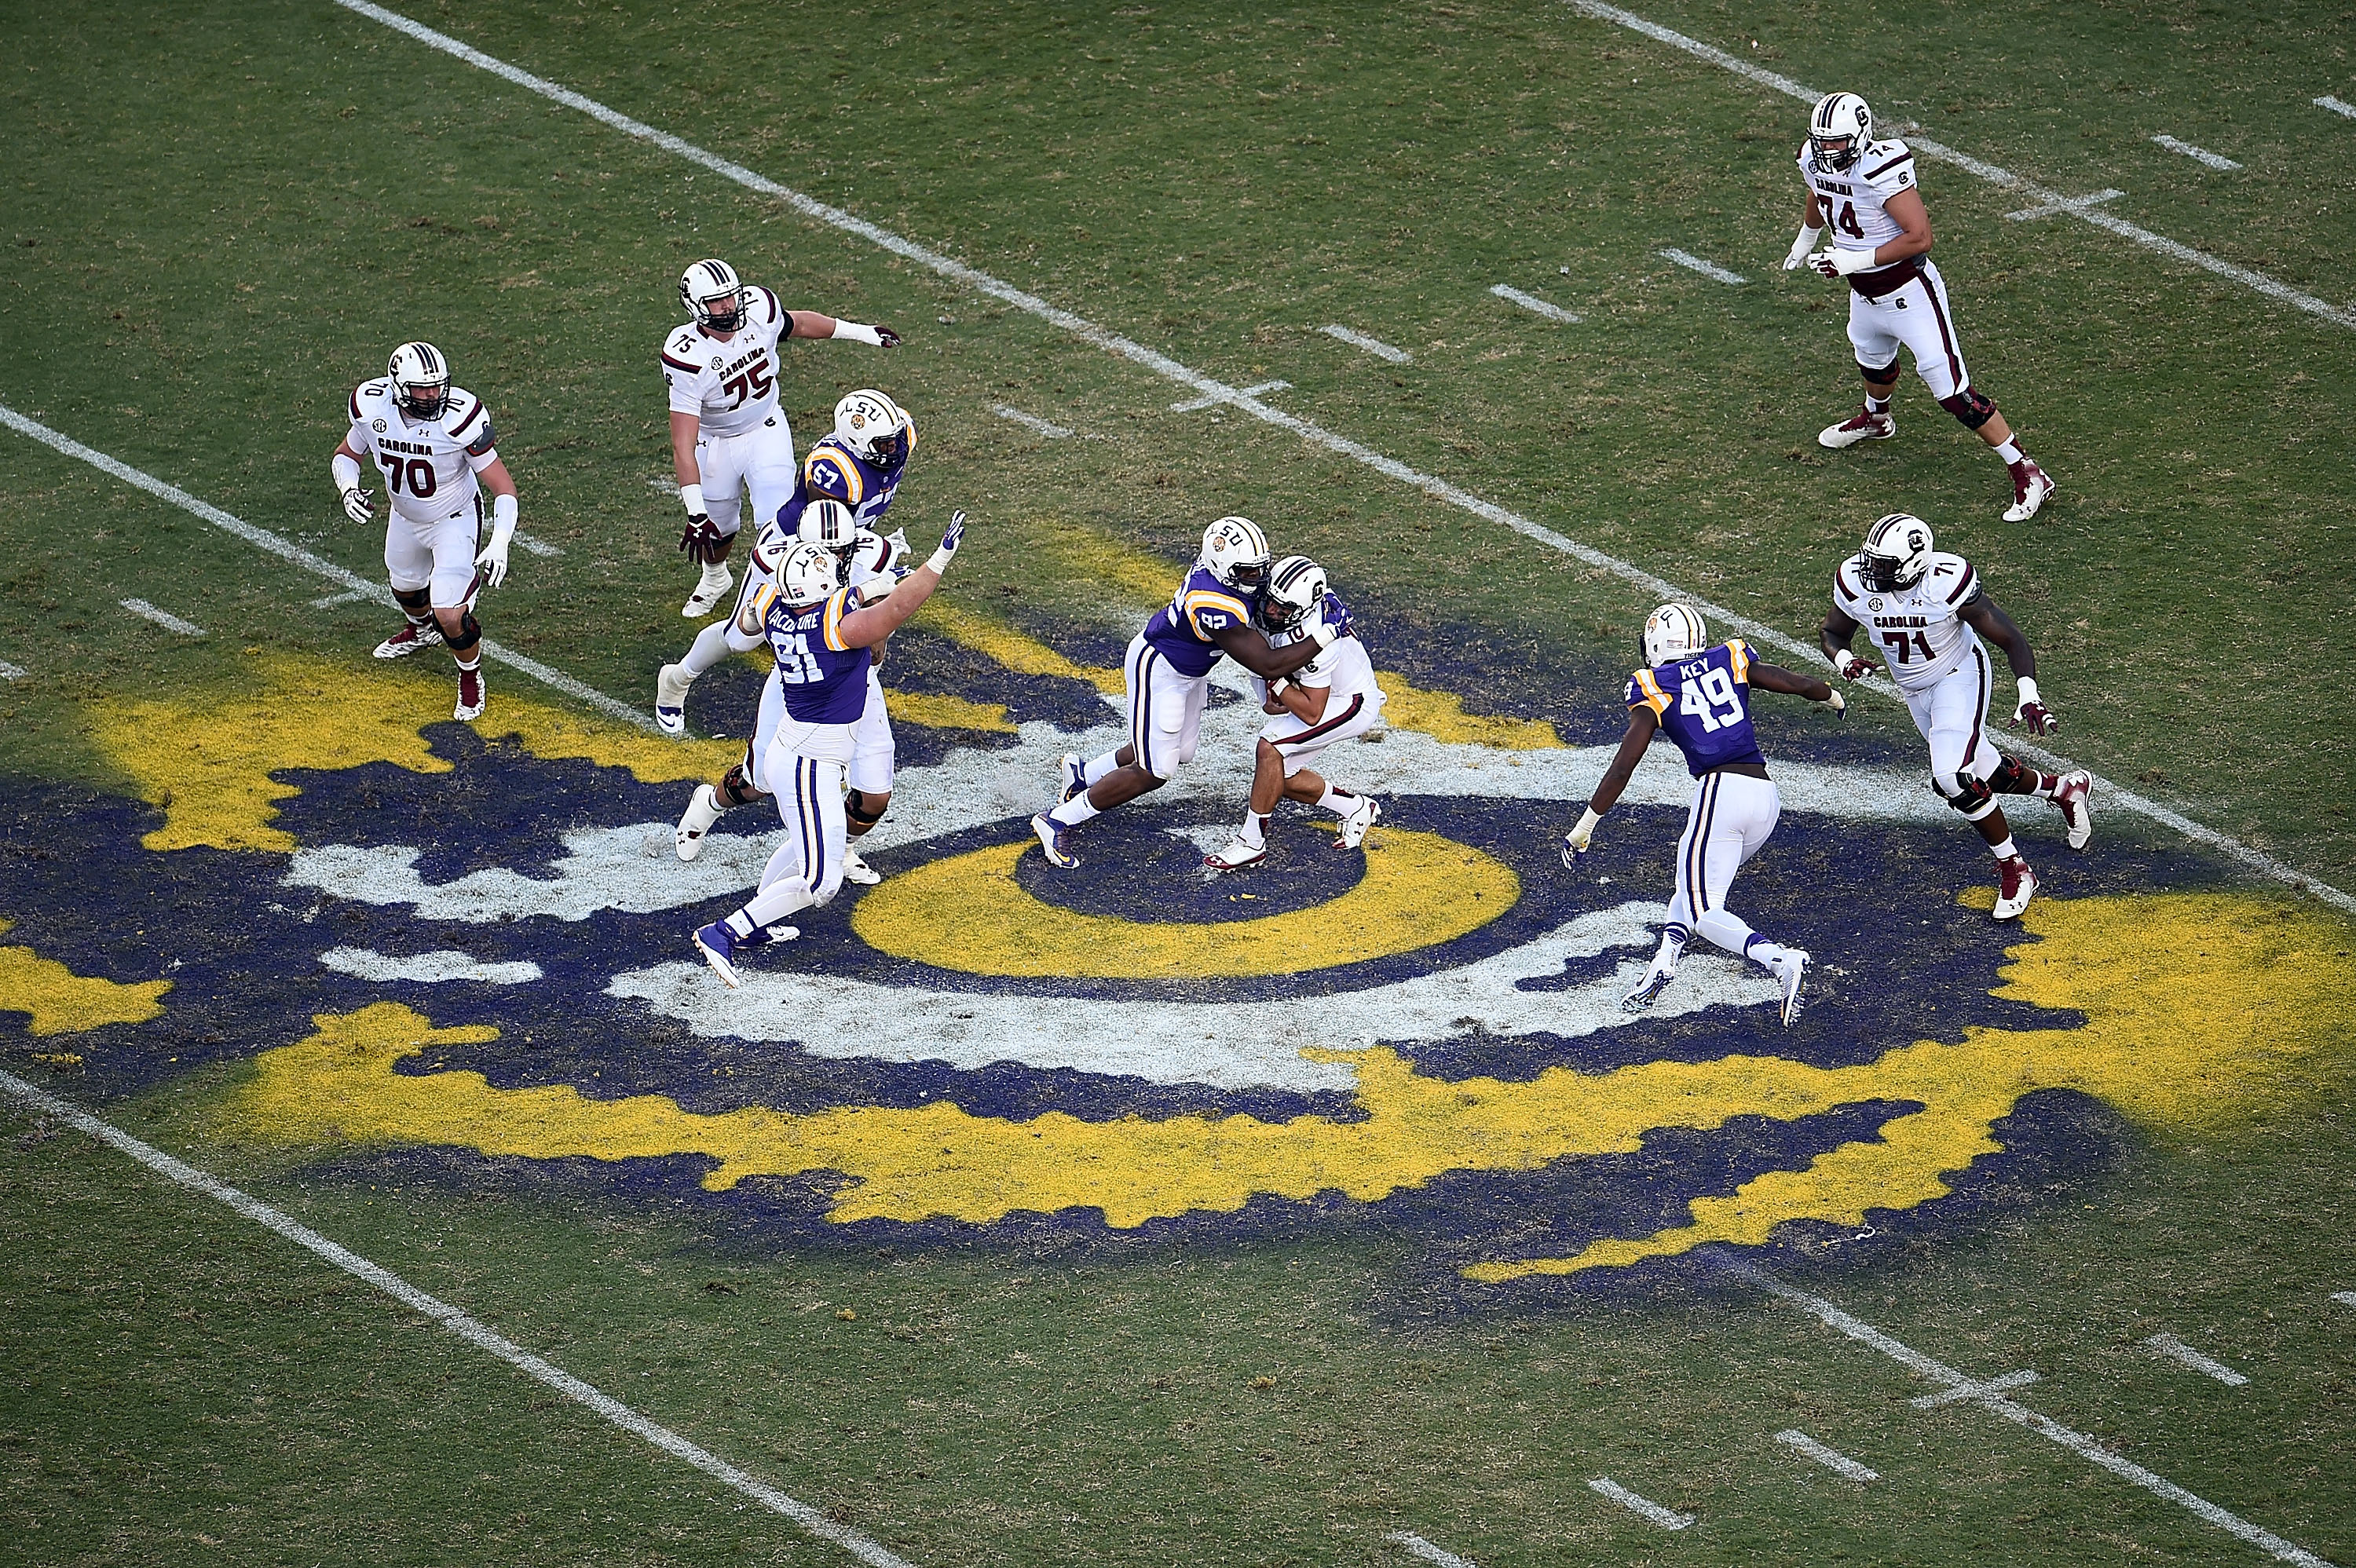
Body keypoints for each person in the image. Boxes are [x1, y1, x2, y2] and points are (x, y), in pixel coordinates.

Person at [690, 512, 964, 987]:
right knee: (821, 882)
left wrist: (867, 586)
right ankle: (727, 932)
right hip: (809, 766)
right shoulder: (833, 628)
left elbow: (780, 604)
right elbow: (894, 611)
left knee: (805, 848)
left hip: (792, 750)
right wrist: (937, 561)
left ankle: (754, 923)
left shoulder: (774, 604)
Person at [1783, 91, 2056, 523]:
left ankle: (2027, 470)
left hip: (1910, 293)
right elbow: (1819, 194)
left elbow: (1919, 237)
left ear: (1860, 136)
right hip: (1864, 293)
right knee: (1872, 359)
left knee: (1952, 392)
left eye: (1836, 141)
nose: (1825, 149)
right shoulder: (1814, 159)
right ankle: (1877, 420)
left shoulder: (1881, 169)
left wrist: (1851, 259)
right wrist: (1806, 239)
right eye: (1821, 140)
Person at [1564, 604, 1842, 1028]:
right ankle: (1664, 962)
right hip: (1765, 797)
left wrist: (1584, 827)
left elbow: (1625, 763)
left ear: (1656, 645)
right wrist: (1829, 693)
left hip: (1722, 793)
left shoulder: (1652, 684)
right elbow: (1794, 682)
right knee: (1692, 881)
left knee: (1702, 910)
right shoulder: (1728, 657)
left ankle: (1779, 960)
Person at [1820, 513, 2093, 921]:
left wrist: (2028, 692)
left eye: (1884, 564)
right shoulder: (1856, 580)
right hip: (1913, 688)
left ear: (1913, 564)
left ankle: (2015, 868)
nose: (1871, 570)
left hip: (1958, 673)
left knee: (1952, 777)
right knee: (1985, 770)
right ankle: (2064, 790)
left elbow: (2010, 638)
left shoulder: (1945, 581)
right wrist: (1844, 659)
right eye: (1871, 560)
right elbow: (1832, 632)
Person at [1028, 516, 1335, 869]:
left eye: (1258, 569)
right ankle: (1059, 819)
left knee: (1180, 751)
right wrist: (1325, 635)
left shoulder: (1225, 574)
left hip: (1188, 672)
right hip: (1159, 669)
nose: (1257, 579)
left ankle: (1084, 773)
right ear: (1222, 568)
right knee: (1154, 770)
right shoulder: (1213, 600)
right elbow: (1267, 662)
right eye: (1248, 573)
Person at [671, 498, 908, 888]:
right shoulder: (778, 564)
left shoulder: (872, 555)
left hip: (855, 684)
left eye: (836, 555)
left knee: (874, 796)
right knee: (759, 780)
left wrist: (878, 621)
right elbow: (750, 631)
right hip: (797, 686)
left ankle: (842, 847)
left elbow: (877, 652)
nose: (826, 564)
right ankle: (707, 806)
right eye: (819, 556)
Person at [661, 259, 898, 618]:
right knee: (719, 525)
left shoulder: (759, 310)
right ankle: (714, 577)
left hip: (765, 429)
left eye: (731, 297)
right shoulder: (687, 356)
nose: (728, 306)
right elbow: (683, 441)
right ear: (696, 307)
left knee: (780, 525)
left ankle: (780, 606)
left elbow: (799, 323)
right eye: (717, 302)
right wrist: (694, 511)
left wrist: (863, 332)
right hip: (716, 442)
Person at [332, 341, 519, 722]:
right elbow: (346, 455)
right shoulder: (372, 408)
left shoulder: (459, 418)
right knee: (404, 587)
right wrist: (348, 488)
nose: (434, 395)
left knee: (450, 612)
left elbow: (503, 486)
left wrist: (500, 542)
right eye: (423, 389)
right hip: (404, 517)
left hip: (454, 518)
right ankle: (420, 632)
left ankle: (471, 678)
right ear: (398, 386)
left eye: (438, 386)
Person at [1205, 555, 1385, 872]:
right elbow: (1272, 702)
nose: (1272, 611)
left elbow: (1313, 712)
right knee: (1276, 775)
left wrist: (1279, 683)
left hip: (1350, 701)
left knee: (1270, 747)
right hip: (1309, 690)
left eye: (1283, 609)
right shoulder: (1275, 602)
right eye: (1271, 602)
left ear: (1303, 611)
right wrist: (1273, 687)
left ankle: (1252, 844)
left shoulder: (1317, 638)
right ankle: (1356, 807)